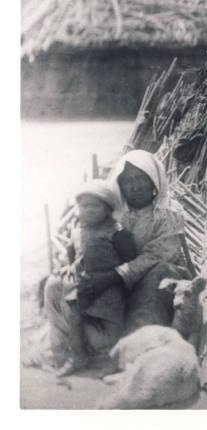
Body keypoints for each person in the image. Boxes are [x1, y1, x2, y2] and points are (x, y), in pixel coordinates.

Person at [44, 150, 191, 374]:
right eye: (128, 180)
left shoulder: (168, 214)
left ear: (154, 178)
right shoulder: (113, 213)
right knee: (55, 284)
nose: (135, 186)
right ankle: (76, 348)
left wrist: (112, 276)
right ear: (120, 184)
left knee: (159, 274)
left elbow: (155, 256)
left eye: (141, 177)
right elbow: (89, 243)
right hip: (114, 282)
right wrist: (77, 267)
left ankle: (134, 349)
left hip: (152, 281)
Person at [44, 180, 132, 376]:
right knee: (74, 318)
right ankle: (78, 355)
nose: (89, 210)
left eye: (95, 206)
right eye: (84, 206)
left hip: (110, 286)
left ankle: (115, 361)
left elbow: (130, 260)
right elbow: (73, 254)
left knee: (113, 322)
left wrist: (115, 277)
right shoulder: (78, 231)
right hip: (83, 284)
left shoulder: (117, 233)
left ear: (108, 209)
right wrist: (69, 265)